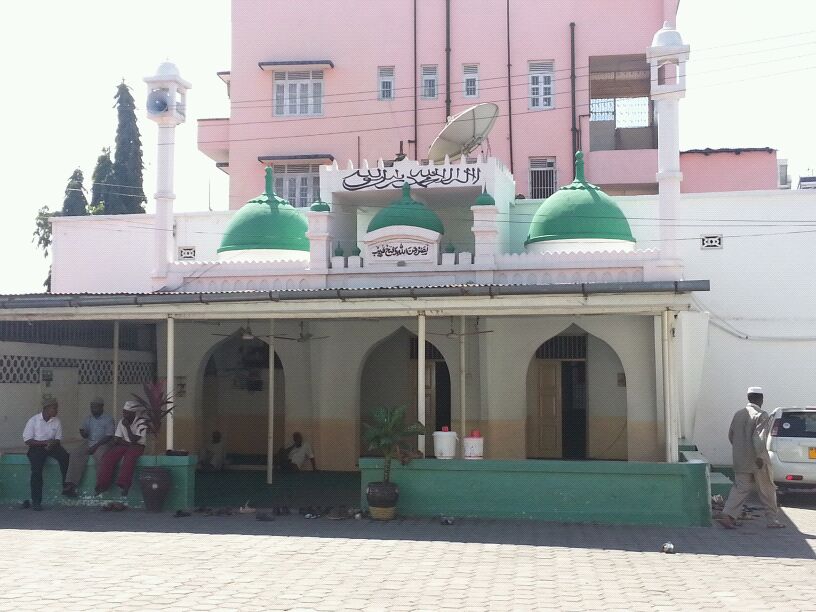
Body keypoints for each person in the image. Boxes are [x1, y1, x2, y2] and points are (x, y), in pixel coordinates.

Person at [719, 387, 785, 529]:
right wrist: (760, 456)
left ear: (748, 398)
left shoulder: (738, 414)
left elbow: (731, 436)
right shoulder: (761, 415)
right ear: (760, 399)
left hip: (740, 459)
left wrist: (740, 450)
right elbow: (759, 438)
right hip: (757, 460)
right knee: (767, 490)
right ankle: (772, 520)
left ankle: (728, 516)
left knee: (740, 489)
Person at [23, 396, 70, 510]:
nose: (56, 411)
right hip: (37, 447)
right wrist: (44, 443)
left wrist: (51, 444)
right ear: (47, 408)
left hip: (52, 446)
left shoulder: (57, 421)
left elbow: (58, 439)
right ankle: (36, 501)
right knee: (36, 471)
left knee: (65, 457)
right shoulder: (33, 421)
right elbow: (28, 440)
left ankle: (67, 486)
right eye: (54, 408)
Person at [63, 397, 115, 497]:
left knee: (100, 456)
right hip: (89, 442)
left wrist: (95, 447)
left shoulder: (108, 419)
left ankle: (101, 485)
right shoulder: (88, 419)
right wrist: (83, 433)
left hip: (103, 443)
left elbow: (109, 436)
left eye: (95, 407)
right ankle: (71, 485)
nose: (93, 409)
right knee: (75, 454)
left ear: (101, 407)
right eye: (92, 407)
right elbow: (85, 434)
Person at [95, 401, 149, 497]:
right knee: (108, 457)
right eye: (123, 412)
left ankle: (124, 485)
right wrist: (127, 442)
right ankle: (102, 485)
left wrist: (127, 427)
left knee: (129, 458)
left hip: (138, 446)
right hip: (125, 444)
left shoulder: (142, 422)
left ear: (133, 413)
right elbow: (117, 439)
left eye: (126, 413)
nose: (124, 415)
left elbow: (134, 440)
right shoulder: (122, 421)